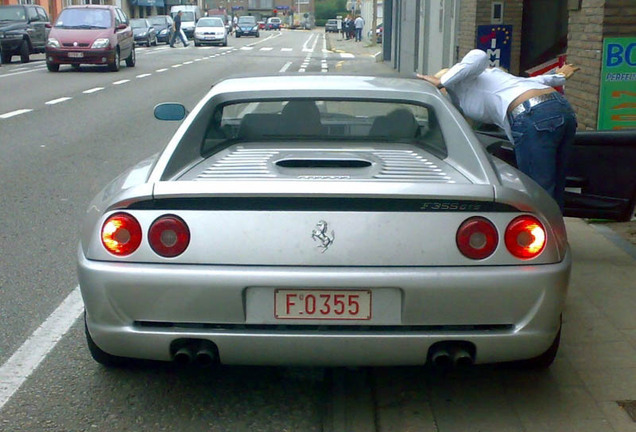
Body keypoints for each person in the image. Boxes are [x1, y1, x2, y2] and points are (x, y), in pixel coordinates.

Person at [417, 49, 579, 211]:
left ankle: (548, 232)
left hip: (534, 116)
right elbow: (530, 82)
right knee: (555, 189)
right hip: (560, 109)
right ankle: (556, 233)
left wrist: (442, 82)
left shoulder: (460, 82)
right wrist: (558, 77)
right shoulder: (493, 80)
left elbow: (478, 55)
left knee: (538, 191)